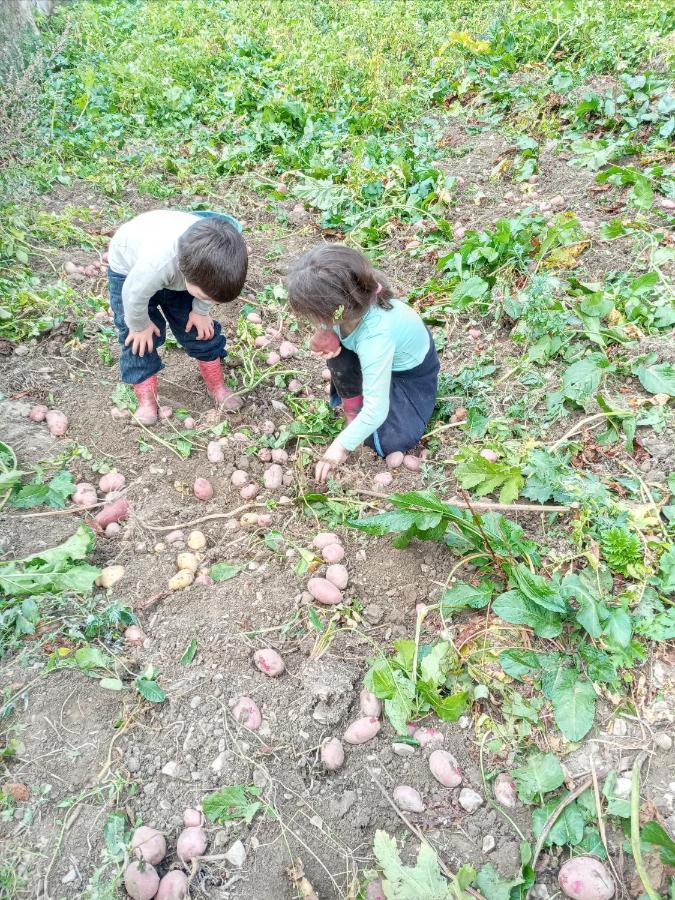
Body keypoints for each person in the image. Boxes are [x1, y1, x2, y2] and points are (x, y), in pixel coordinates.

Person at [287, 244, 439, 483]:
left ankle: (359, 416)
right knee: (338, 355)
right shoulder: (353, 302)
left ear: (336, 312)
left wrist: (340, 447)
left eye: (313, 315)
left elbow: (377, 410)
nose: (311, 319)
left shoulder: (375, 338)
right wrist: (325, 332)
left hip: (410, 375)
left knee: (391, 441)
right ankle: (353, 409)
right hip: (374, 351)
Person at [107, 209, 248, 424]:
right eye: (206, 297)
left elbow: (209, 292)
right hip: (129, 272)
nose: (211, 301)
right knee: (139, 340)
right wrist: (139, 325)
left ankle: (217, 386)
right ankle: (147, 402)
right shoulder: (155, 266)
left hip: (181, 271)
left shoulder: (219, 263)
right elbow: (133, 294)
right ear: (186, 273)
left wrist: (201, 310)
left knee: (200, 331)